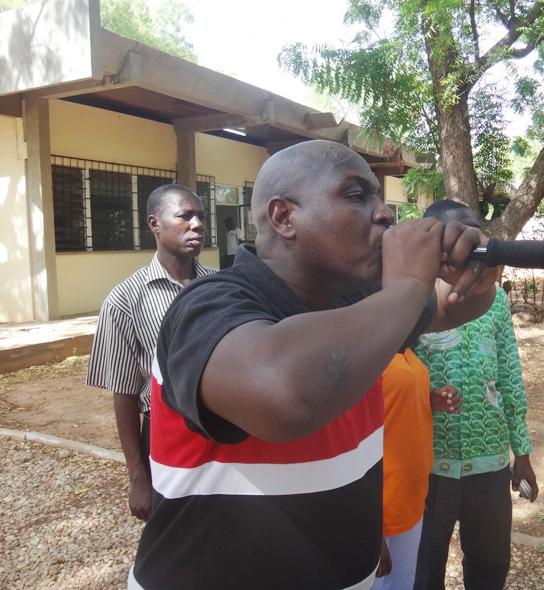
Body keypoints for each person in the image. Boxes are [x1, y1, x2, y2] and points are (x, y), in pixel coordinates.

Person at [128, 140, 499, 590]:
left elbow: (453, 308)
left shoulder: (360, 303)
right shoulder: (205, 307)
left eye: (379, 199)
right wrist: (407, 284)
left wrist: (476, 277)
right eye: (358, 196)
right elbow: (287, 396)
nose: (384, 213)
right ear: (284, 217)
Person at [413, 200, 539, 590]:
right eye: (448, 247)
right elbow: (388, 377)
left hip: (490, 462)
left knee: (490, 564)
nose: (461, 254)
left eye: (470, 241)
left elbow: (508, 374)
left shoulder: (496, 301)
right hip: (428, 465)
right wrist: (426, 397)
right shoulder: (410, 301)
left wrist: (522, 451)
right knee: (422, 568)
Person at [86, 184, 215, 521]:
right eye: (185, 216)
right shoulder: (125, 300)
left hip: (221, 431)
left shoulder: (221, 287)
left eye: (200, 216)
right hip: (165, 434)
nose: (198, 224)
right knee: (174, 532)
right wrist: (138, 478)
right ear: (154, 224)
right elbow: (124, 393)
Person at [375, 349, 461, 590]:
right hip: (381, 504)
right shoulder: (369, 353)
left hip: (410, 496)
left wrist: (428, 398)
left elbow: (394, 403)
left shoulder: (404, 348)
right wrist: (370, 525)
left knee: (403, 584)